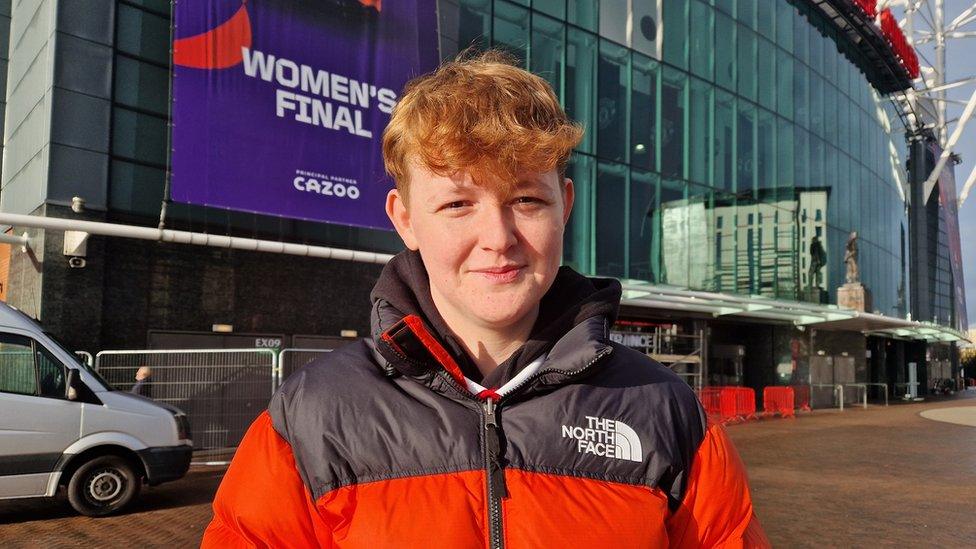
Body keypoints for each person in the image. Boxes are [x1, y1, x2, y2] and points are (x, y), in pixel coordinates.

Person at [202, 50, 768, 548]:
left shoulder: (665, 411)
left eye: (526, 199)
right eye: (457, 205)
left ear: (564, 205)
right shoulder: (312, 416)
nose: (498, 237)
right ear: (405, 220)